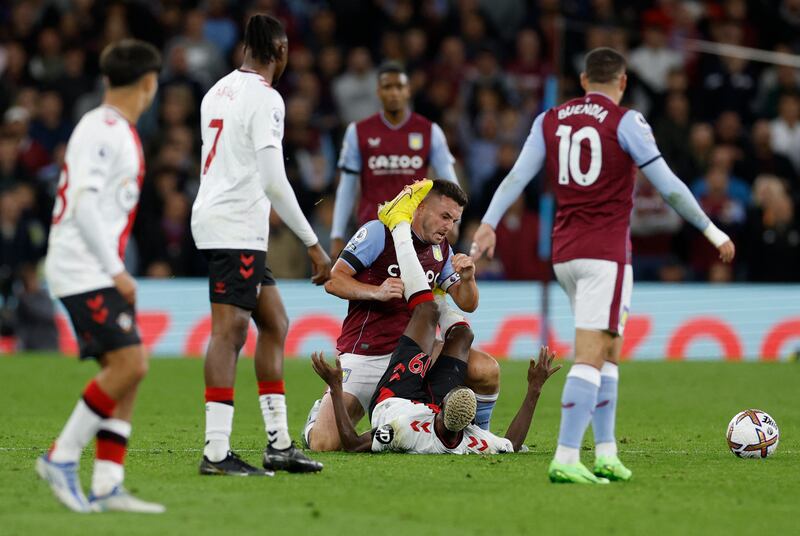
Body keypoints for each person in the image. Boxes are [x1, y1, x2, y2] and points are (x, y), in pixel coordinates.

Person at [471, 48, 735, 484]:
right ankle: (567, 456)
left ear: (582, 79)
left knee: (610, 349)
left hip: (565, 254)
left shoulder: (549, 120)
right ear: (624, 82)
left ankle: (607, 452)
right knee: (592, 354)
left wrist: (488, 225)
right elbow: (667, 186)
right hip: (604, 254)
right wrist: (712, 231)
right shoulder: (626, 121)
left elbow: (516, 177)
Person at [311, 180, 561, 453]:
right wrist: (376, 292)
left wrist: (468, 279)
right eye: (444, 216)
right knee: (325, 444)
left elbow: (468, 304)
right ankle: (317, 415)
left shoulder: (442, 250)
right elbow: (334, 281)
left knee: (485, 369)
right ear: (419, 209)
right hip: (367, 355)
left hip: (416, 354)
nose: (449, 227)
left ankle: (478, 433)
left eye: (454, 220)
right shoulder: (377, 234)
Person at [190, 14, 331, 477]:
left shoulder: (217, 90)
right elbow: (274, 179)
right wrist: (313, 243)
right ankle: (215, 452)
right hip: (235, 226)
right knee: (229, 335)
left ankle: (279, 445)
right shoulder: (266, 98)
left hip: (225, 218)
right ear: (281, 52)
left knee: (274, 322)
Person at [38, 39, 164, 513]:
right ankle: (61, 456)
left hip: (95, 267)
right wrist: (116, 270)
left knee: (128, 370)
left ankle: (108, 484)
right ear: (148, 84)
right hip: (82, 268)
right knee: (130, 365)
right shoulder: (103, 128)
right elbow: (84, 203)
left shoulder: (110, 127)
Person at [329, 62, 460, 259]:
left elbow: (451, 184)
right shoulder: (358, 132)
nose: (393, 93)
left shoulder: (429, 131)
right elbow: (347, 187)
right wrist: (337, 233)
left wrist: (453, 222)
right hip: (372, 229)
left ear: (408, 91)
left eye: (399, 87)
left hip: (416, 231)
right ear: (378, 92)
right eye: (387, 87)